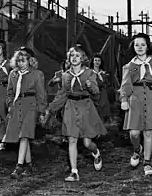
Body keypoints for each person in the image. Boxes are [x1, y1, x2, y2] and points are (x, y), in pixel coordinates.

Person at [44, 45, 107, 182]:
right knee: (71, 139)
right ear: (68, 58)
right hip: (70, 107)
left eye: (77, 55)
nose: (74, 58)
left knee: (86, 143)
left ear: (82, 58)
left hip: (86, 108)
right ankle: (74, 172)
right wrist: (50, 108)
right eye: (72, 55)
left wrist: (91, 86)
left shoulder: (89, 73)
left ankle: (95, 152)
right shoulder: (65, 75)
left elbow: (96, 92)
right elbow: (62, 95)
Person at [119, 32, 152, 176]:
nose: (140, 47)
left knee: (149, 131)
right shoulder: (129, 66)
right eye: (137, 45)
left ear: (148, 46)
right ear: (133, 47)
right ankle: (137, 149)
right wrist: (124, 99)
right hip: (135, 98)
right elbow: (125, 84)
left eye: (143, 44)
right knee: (134, 133)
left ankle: (147, 163)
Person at [4, 46, 47, 179]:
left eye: (23, 60)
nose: (21, 63)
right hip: (17, 105)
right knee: (22, 135)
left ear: (29, 61)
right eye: (18, 61)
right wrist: (10, 104)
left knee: (25, 134)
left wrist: (41, 111)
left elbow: (41, 94)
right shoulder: (13, 74)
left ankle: (19, 166)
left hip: (31, 105)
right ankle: (28, 165)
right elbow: (9, 91)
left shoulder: (37, 74)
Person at [89, 53, 111, 123]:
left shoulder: (104, 73)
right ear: (93, 61)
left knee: (103, 115)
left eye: (99, 60)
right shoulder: (89, 72)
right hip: (93, 95)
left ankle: (100, 132)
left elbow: (107, 84)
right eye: (95, 60)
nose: (97, 62)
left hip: (103, 95)